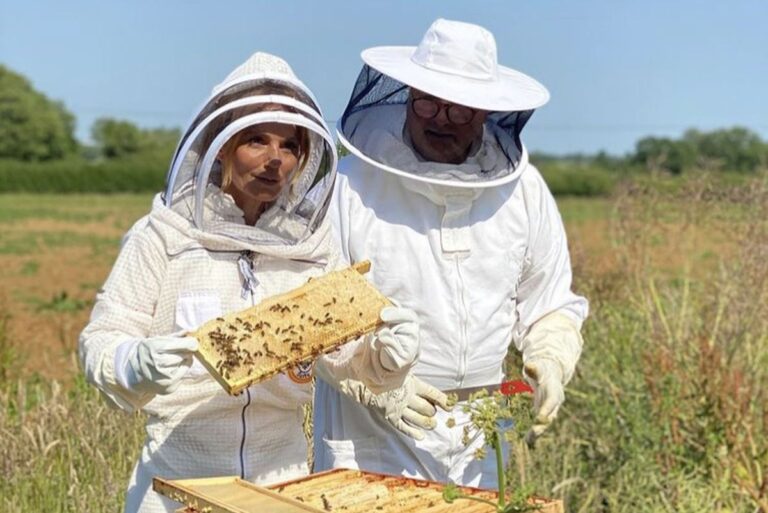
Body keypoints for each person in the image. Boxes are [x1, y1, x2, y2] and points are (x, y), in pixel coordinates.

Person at [79, 52, 421, 513]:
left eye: (289, 146)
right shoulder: (165, 236)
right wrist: (131, 363)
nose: (274, 160)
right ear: (221, 145)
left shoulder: (310, 248)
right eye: (256, 141)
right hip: (177, 477)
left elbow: (344, 357)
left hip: (282, 479)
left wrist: (386, 358)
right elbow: (102, 337)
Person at [313, 19, 588, 489]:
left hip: (479, 430)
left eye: (459, 110)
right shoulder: (348, 187)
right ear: (406, 95)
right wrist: (376, 381)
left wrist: (552, 357)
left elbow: (549, 301)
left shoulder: (523, 191)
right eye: (428, 103)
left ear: (485, 112)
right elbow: (317, 313)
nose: (441, 119)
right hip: (370, 432)